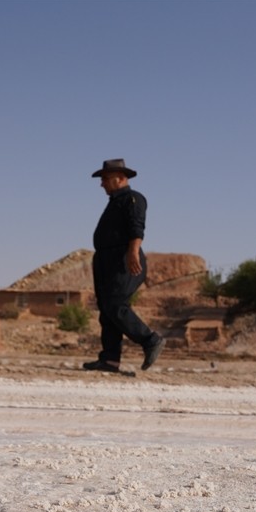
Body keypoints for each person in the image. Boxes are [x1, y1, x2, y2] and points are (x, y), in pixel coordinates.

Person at [83, 158, 164, 376]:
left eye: (105, 179)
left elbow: (137, 227)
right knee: (107, 309)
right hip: (106, 260)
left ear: (120, 178)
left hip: (124, 258)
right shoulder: (114, 201)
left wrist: (133, 251)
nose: (102, 184)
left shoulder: (133, 198)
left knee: (116, 304)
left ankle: (150, 340)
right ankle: (109, 360)